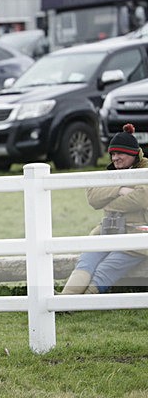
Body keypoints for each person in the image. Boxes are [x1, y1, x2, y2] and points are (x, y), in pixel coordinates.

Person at [61, 123, 148, 294]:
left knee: (105, 270)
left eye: (119, 153)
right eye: (112, 154)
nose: (114, 158)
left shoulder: (146, 170)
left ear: (133, 153)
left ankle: (77, 305)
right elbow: (93, 197)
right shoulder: (109, 172)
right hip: (107, 231)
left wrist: (107, 201)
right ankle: (65, 300)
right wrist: (119, 190)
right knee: (85, 263)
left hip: (136, 239)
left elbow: (142, 198)